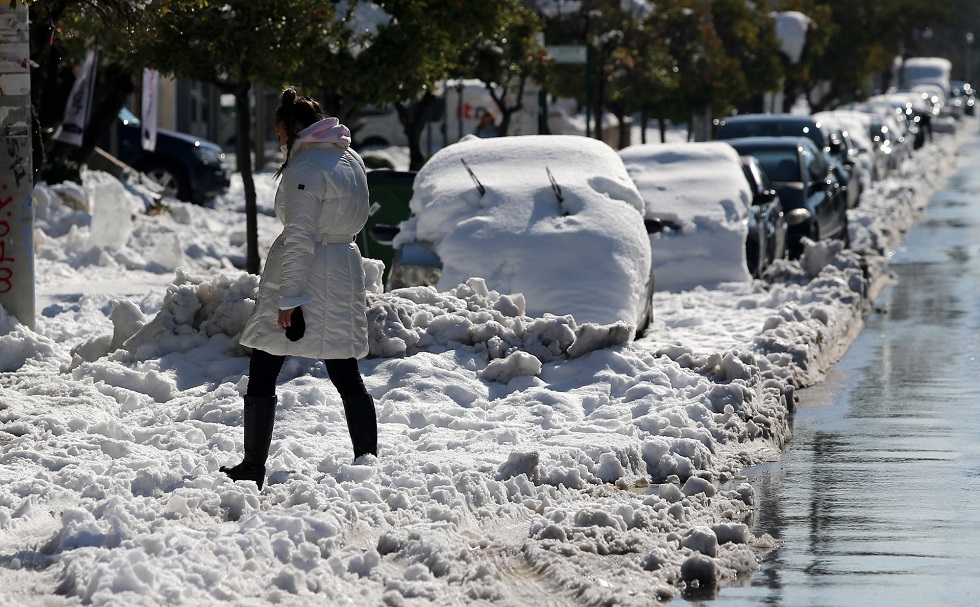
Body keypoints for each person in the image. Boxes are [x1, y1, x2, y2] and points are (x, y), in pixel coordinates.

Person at [220, 86, 377, 490]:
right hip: (342, 269)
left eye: (278, 133)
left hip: (308, 274)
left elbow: (300, 236)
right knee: (345, 370)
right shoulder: (349, 158)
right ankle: (367, 463)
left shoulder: (306, 168)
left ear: (291, 129)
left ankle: (253, 466)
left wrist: (289, 299)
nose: (278, 141)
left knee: (264, 363)